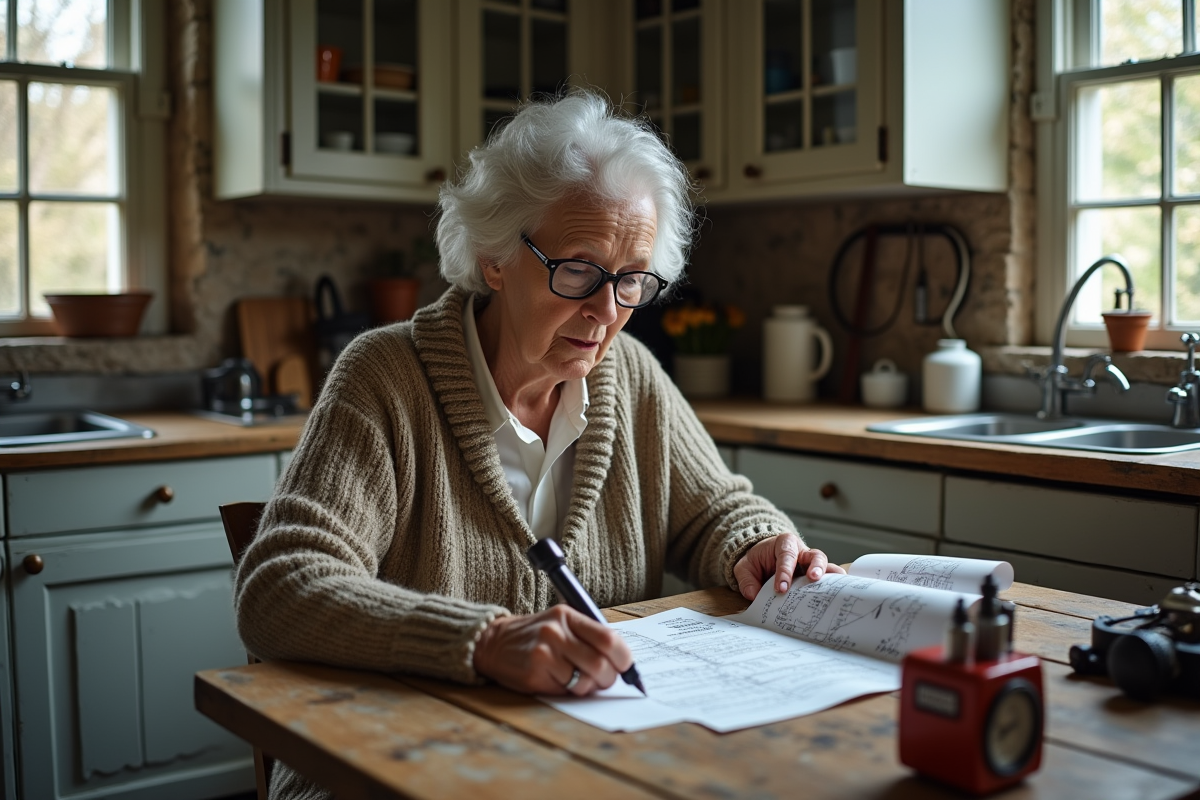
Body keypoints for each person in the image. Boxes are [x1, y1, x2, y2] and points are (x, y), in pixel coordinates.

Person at [234, 91, 844, 799]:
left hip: (583, 759)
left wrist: (756, 545)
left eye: (631, 281)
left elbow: (715, 512)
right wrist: (484, 642)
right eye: (579, 270)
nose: (606, 312)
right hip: (387, 765)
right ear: (495, 257)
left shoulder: (632, 376)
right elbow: (279, 589)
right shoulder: (385, 379)